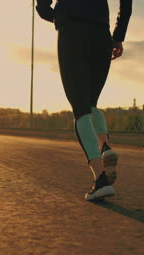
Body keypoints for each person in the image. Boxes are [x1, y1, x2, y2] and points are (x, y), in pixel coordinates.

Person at [36, 0, 132, 201]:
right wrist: (118, 36)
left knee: (80, 108)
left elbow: (43, 6)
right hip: (100, 34)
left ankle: (101, 180)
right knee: (90, 103)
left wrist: (57, 14)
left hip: (72, 31)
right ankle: (105, 146)